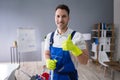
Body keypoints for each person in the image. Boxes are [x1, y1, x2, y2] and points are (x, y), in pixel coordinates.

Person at [44, 4, 89, 80]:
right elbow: (47, 53)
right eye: (58, 16)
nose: (60, 20)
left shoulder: (77, 36)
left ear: (68, 18)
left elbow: (84, 61)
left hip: (70, 77)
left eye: (64, 16)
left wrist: (74, 49)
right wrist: (47, 60)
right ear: (54, 17)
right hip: (53, 77)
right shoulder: (50, 36)